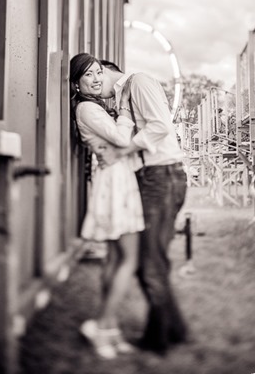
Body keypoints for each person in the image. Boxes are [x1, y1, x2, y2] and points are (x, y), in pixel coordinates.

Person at [97, 59, 188, 355]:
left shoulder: (138, 82)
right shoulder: (124, 96)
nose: (98, 89)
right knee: (152, 261)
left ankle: (157, 338)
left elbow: (161, 125)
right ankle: (175, 329)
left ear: (106, 69)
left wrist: (124, 148)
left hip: (161, 177)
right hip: (153, 178)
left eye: (97, 76)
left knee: (149, 264)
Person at [69, 53, 145, 359]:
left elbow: (117, 144)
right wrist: (125, 110)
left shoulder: (96, 106)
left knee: (115, 259)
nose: (97, 78)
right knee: (130, 259)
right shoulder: (87, 107)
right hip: (114, 183)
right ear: (77, 83)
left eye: (99, 72)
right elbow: (120, 138)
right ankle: (100, 327)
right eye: (88, 75)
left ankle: (110, 329)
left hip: (117, 177)